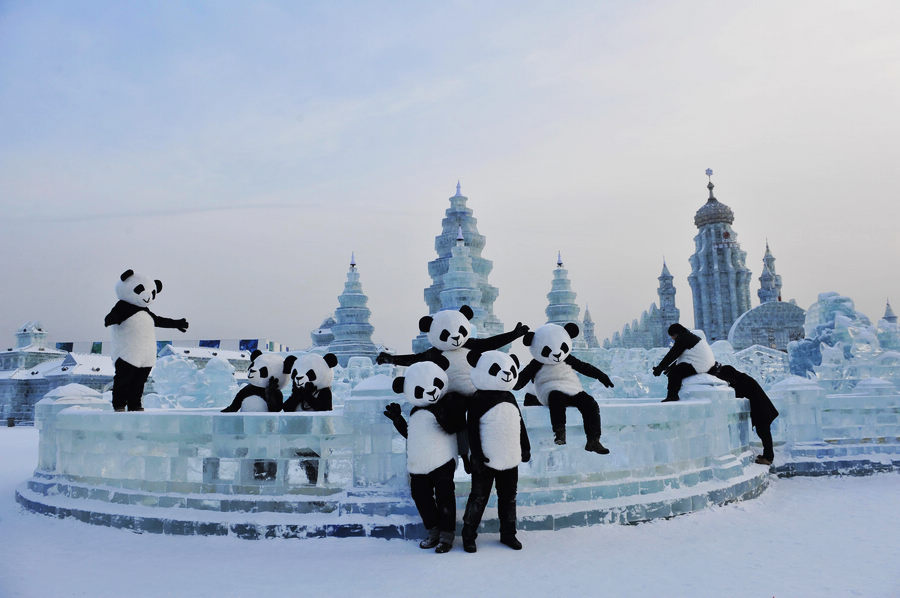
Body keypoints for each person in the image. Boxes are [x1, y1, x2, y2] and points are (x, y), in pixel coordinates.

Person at [710, 363, 779, 465]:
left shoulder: (741, 382)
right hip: (763, 410)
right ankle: (767, 456)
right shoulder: (742, 379)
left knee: (764, 434)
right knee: (764, 434)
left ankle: (768, 458)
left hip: (763, 411)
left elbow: (737, 395)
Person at [652, 323, 715, 403]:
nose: (672, 339)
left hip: (699, 365)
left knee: (675, 373)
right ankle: (673, 395)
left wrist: (660, 367)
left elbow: (673, 354)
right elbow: (683, 356)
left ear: (675, 334)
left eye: (672, 336)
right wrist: (668, 367)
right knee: (674, 370)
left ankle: (672, 396)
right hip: (702, 362)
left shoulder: (683, 338)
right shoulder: (689, 336)